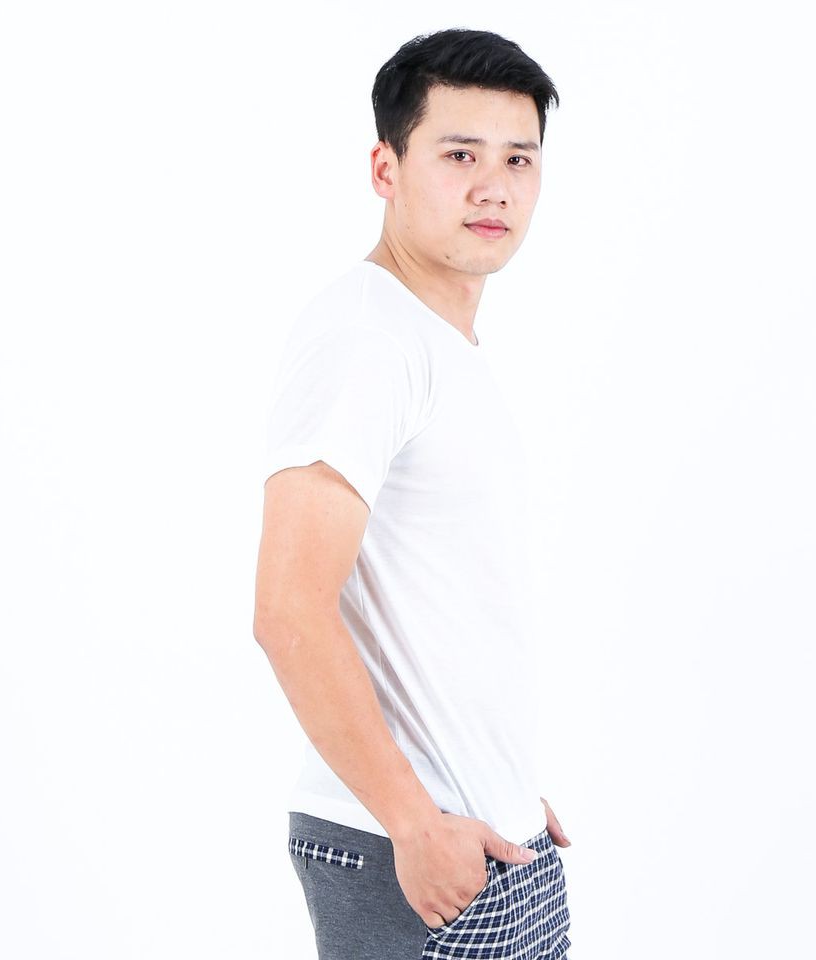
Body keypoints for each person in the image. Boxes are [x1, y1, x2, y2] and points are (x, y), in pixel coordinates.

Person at [253, 28, 571, 960]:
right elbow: (287, 610)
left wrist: (498, 786)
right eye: (459, 155)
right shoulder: (367, 337)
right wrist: (413, 819)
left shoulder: (438, 344)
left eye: (518, 159)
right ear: (385, 169)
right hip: (401, 851)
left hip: (488, 838)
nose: (494, 187)